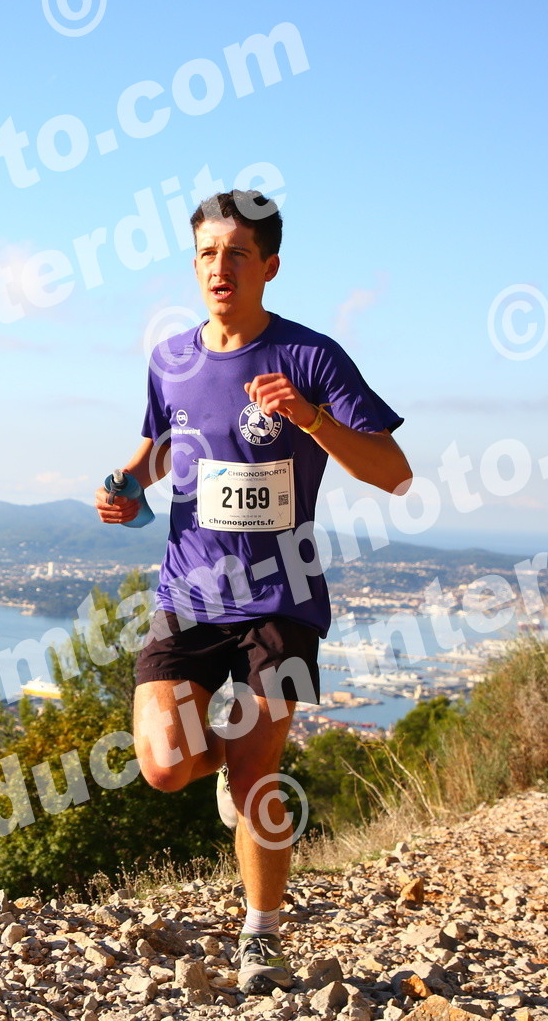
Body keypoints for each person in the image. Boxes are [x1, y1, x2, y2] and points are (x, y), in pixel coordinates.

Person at [93, 188, 412, 995]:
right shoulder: (170, 358)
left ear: (269, 266)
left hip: (282, 600)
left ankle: (261, 935)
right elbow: (164, 446)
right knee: (165, 764)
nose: (219, 266)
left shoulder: (312, 356)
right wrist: (127, 485)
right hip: (188, 596)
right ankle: (228, 774)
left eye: (237, 253)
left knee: (256, 769)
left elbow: (394, 472)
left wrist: (310, 419)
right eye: (207, 252)